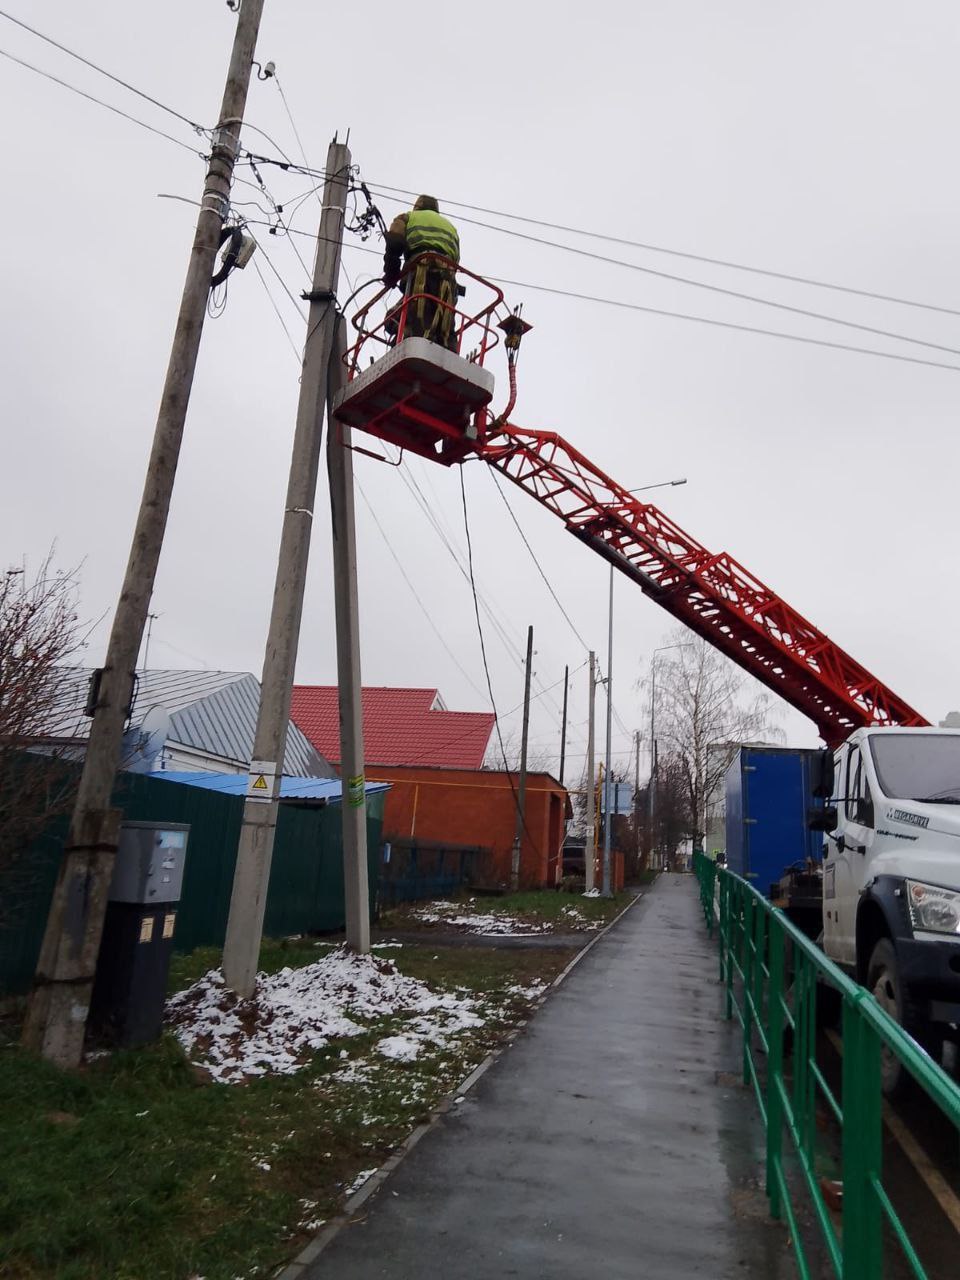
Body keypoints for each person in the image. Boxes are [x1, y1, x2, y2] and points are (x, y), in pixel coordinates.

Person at [383, 195, 460, 350]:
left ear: (417, 207)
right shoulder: (451, 228)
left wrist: (391, 274)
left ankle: (410, 342)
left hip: (420, 270)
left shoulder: (408, 217)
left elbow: (395, 242)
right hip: (447, 278)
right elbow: (456, 260)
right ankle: (447, 348)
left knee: (418, 313)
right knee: (444, 318)